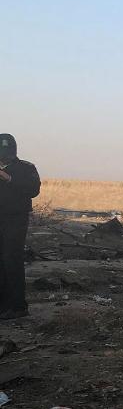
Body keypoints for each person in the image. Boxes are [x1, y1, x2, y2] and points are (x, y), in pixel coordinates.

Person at [0, 134, 40, 320]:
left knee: (11, 259)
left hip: (15, 220)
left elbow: (33, 189)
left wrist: (8, 178)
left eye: (7, 152)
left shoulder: (26, 168)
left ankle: (17, 306)